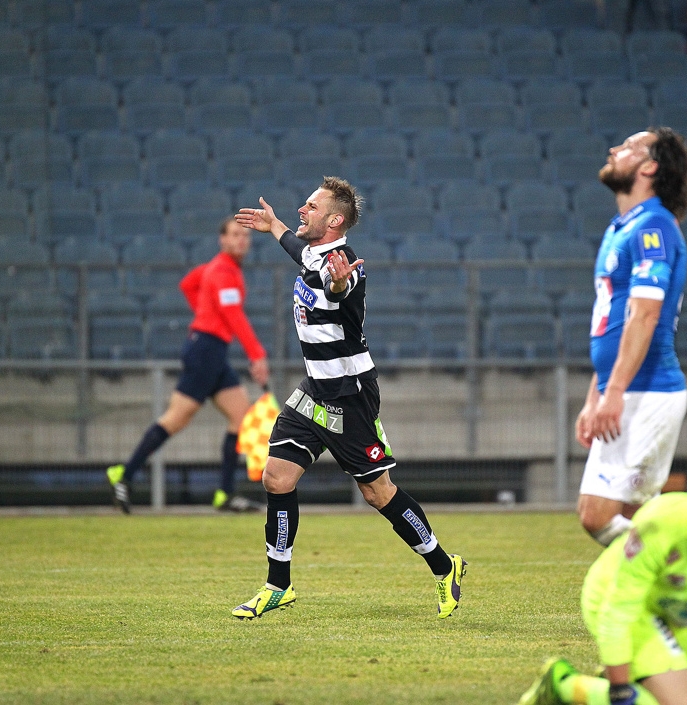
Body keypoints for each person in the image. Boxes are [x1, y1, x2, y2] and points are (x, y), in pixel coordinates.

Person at [230, 177, 466, 620]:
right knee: (276, 478)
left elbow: (336, 287)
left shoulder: (344, 265)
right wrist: (276, 225)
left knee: (378, 494)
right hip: (314, 389)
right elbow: (300, 253)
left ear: (334, 220)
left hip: (349, 395)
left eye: (311, 206)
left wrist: (339, 286)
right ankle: (277, 585)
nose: (303, 209)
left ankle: (444, 564)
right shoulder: (315, 251)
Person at [518, 450, 687, 705]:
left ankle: (635, 677)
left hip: (681, 611)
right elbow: (620, 606)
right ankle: (563, 683)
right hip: (617, 599)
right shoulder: (659, 524)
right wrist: (620, 684)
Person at [575, 128, 687, 548]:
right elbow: (616, 323)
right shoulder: (623, 226)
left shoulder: (653, 227)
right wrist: (597, 395)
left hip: (647, 392)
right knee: (635, 519)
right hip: (629, 391)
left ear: (649, 166)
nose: (613, 149)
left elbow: (644, 317)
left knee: (597, 516)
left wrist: (614, 393)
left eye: (628, 147)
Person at [106, 218, 269, 513]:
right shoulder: (223, 272)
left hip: (211, 350)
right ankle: (124, 474)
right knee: (176, 419)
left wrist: (205, 312)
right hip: (205, 350)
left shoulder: (216, 269)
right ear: (222, 240)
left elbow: (188, 284)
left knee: (241, 413)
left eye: (245, 235)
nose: (241, 240)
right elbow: (234, 316)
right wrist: (256, 354)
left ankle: (225, 494)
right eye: (235, 234)